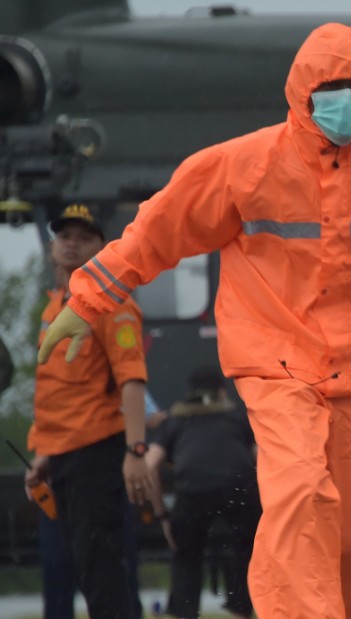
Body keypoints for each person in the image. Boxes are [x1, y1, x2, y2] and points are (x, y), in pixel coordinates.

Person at [38, 22, 351, 619]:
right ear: (301, 89)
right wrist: (88, 300)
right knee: (299, 493)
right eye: (331, 84)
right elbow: (158, 230)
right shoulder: (244, 165)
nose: (346, 98)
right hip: (278, 365)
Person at [25, 203, 152, 619]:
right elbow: (59, 391)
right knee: (74, 572)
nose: (72, 244)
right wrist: (45, 453)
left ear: (103, 247)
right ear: (52, 247)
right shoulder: (54, 307)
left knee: (103, 577)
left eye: (84, 237)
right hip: (61, 457)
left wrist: (136, 453)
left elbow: (132, 378)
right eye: (65, 236)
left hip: (95, 455)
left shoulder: (112, 303)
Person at [145, 365, 262, 619]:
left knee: (186, 553)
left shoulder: (175, 420)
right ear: (222, 392)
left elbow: (150, 464)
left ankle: (184, 612)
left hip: (192, 491)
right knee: (247, 544)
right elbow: (260, 457)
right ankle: (240, 609)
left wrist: (163, 515)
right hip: (239, 487)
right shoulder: (237, 417)